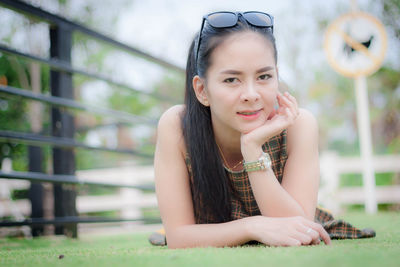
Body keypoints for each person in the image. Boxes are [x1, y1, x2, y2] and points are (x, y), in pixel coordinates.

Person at [152, 11, 375, 248]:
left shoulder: (298, 126)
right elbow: (178, 236)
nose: (251, 94)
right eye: (231, 80)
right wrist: (253, 226)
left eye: (264, 76)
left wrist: (252, 149)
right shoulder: (177, 127)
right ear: (202, 90)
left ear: (277, 77)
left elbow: (296, 228)